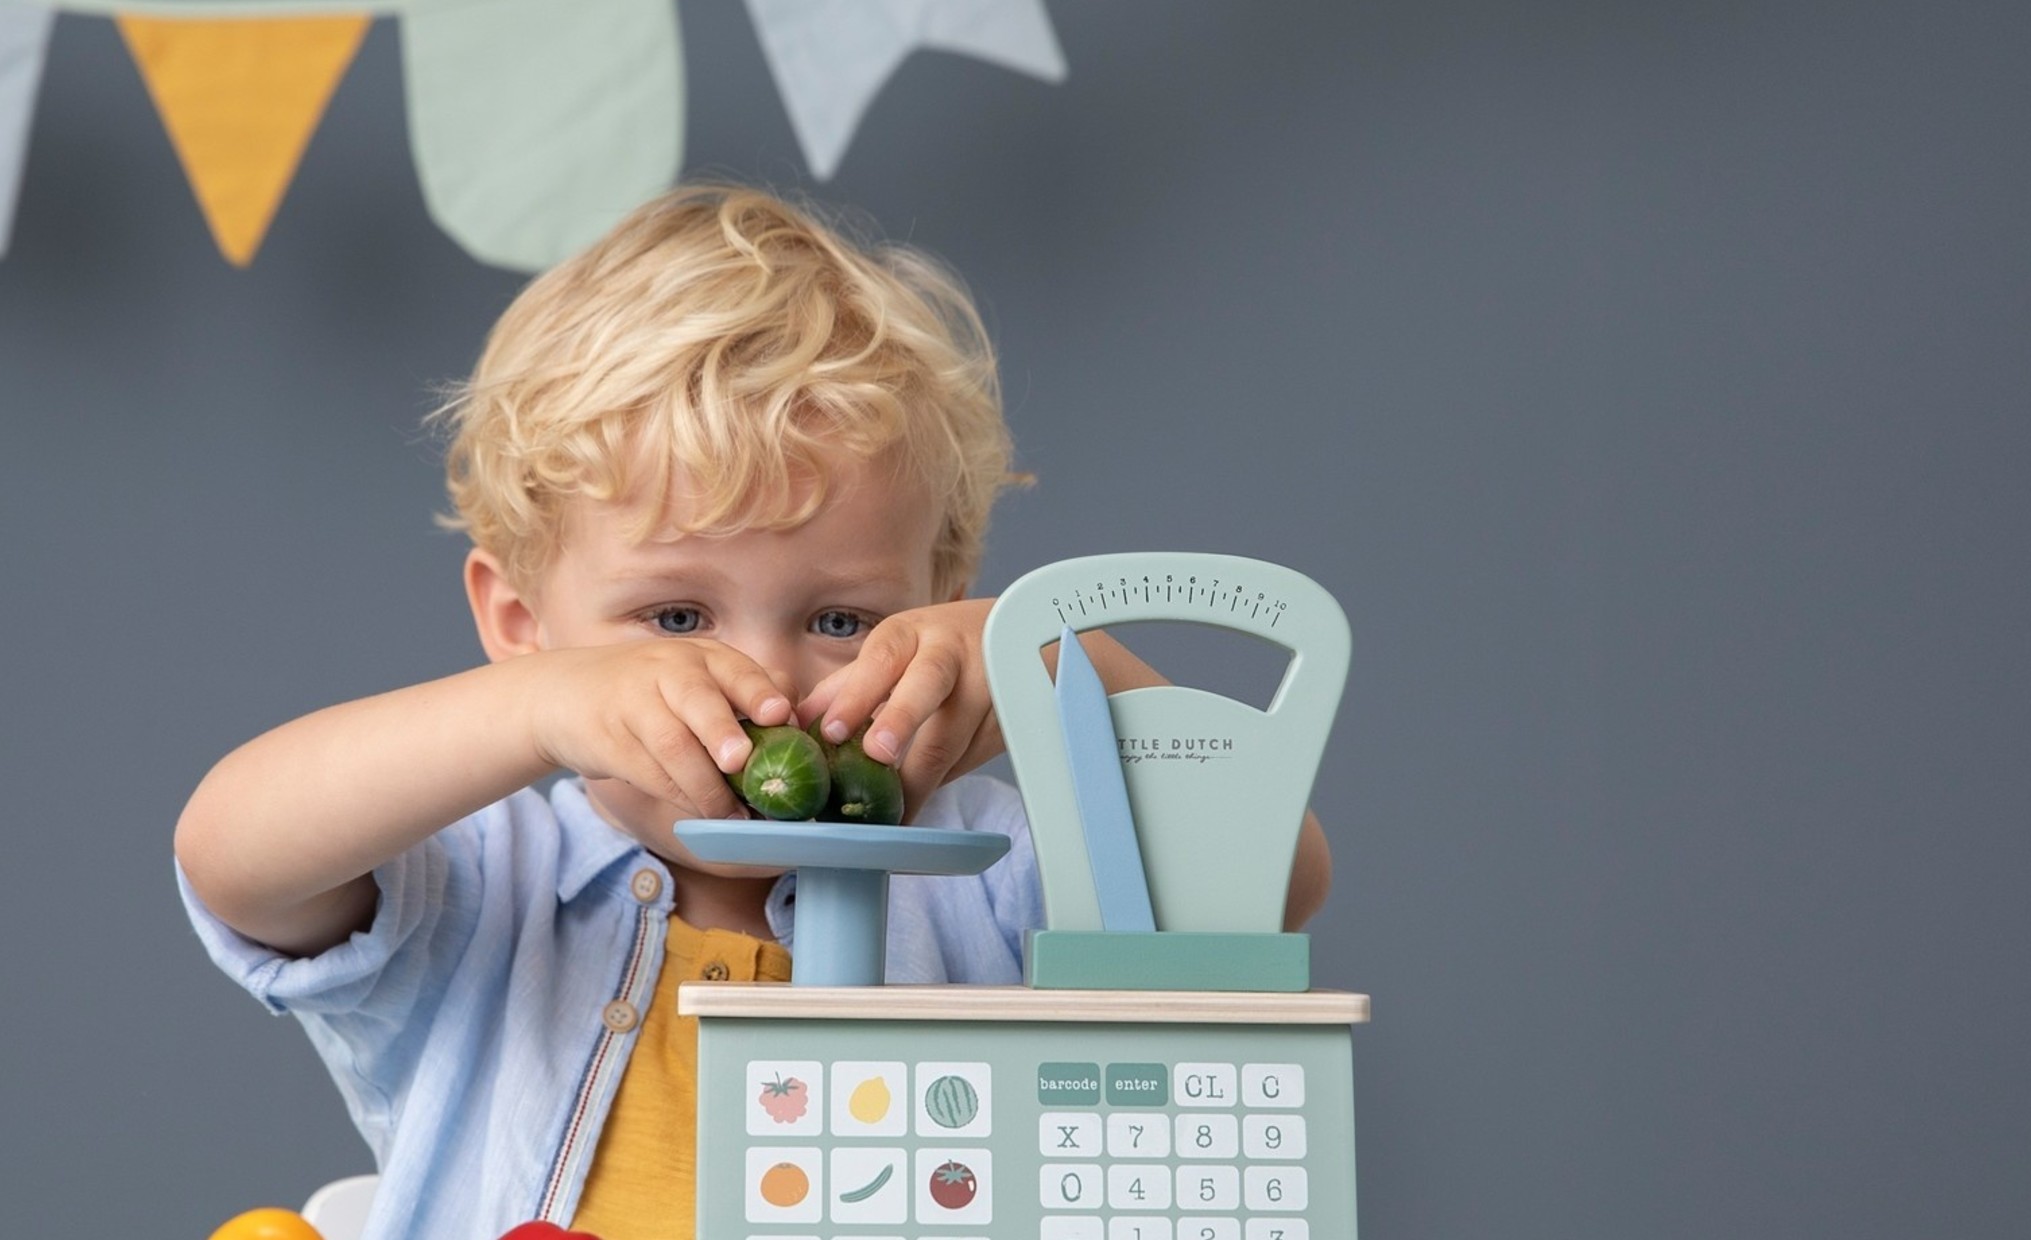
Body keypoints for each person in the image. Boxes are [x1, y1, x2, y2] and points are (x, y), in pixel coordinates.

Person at [173, 184, 1333, 1240]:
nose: (770, 684)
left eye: (841, 621)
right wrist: (530, 712)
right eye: (675, 618)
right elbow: (234, 854)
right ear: (522, 622)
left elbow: (1269, 880)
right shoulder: (480, 892)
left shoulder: (993, 876)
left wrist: (1061, 663)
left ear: (940, 600)